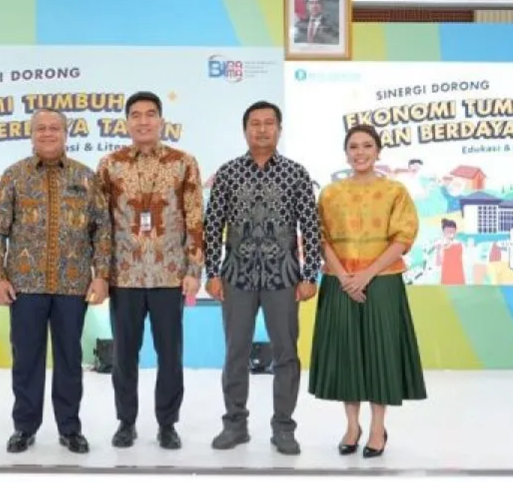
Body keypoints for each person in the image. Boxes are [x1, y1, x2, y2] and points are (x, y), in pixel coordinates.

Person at [0, 108, 111, 454]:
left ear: (65, 133)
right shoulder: (14, 176)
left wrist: (101, 276)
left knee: (70, 360)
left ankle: (70, 428)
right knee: (26, 360)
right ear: (31, 134)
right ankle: (24, 427)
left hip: (73, 287)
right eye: (40, 128)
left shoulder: (86, 178)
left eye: (54, 127)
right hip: (24, 286)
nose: (47, 133)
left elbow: (102, 229)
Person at [204, 100, 321, 456]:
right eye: (255, 123)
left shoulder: (296, 173)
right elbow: (212, 225)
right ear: (245, 130)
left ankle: (284, 428)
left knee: (285, 355)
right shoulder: (227, 173)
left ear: (279, 130)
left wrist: (310, 273)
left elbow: (311, 225)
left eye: (269, 123)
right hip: (236, 275)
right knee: (235, 352)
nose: (262, 129)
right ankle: (234, 425)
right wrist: (212, 271)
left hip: (283, 276)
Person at [309, 124, 427, 458]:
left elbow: (403, 238)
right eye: (354, 146)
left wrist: (366, 275)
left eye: (367, 146)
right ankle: (351, 425)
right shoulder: (330, 193)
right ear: (345, 152)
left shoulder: (395, 191)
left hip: (382, 282)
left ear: (378, 151)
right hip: (339, 281)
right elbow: (320, 238)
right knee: (347, 354)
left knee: (380, 353)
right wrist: (346, 277)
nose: (360, 152)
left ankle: (377, 427)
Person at [96, 91, 204, 450]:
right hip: (124, 275)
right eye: (136, 115)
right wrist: (101, 272)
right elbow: (100, 223)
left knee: (170, 355)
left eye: (150, 114)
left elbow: (194, 218)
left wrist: (194, 268)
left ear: (161, 121)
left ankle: (167, 424)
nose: (143, 121)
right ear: (126, 123)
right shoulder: (110, 164)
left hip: (169, 274)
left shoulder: (182, 162)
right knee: (124, 355)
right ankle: (125, 422)